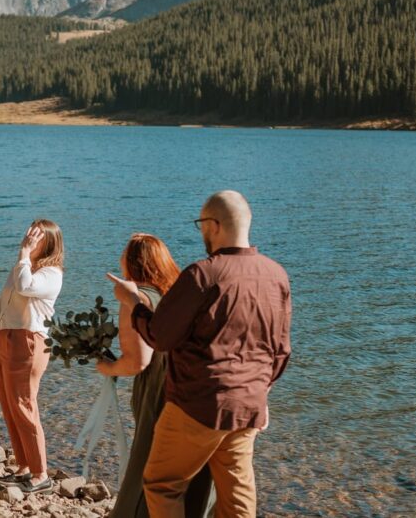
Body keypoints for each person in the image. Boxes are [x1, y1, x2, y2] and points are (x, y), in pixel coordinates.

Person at [111, 191, 292, 518]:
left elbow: (161, 336)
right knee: (236, 500)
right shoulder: (276, 275)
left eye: (201, 225)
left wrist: (134, 303)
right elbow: (280, 351)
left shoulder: (203, 274)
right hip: (248, 406)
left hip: (198, 405)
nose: (202, 233)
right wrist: (259, 392)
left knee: (162, 484)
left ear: (214, 225)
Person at [97, 234, 214, 518]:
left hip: (157, 390)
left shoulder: (136, 298)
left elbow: (138, 362)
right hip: (186, 384)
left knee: (148, 460)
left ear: (132, 262)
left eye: (124, 253)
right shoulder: (175, 295)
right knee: (183, 464)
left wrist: (107, 368)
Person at [0, 219, 64, 495]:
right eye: (29, 231)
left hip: (28, 343)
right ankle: (24, 467)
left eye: (36, 234)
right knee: (10, 406)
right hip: (4, 338)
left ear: (48, 242)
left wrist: (24, 254)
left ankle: (40, 474)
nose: (29, 237)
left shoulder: (51, 273)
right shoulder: (22, 267)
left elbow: (25, 287)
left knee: (24, 406)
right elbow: (2, 306)